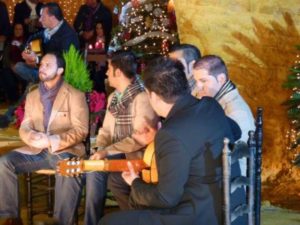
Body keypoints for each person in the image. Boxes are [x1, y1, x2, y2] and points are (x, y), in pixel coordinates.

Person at [100, 57, 244, 225]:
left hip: (198, 216)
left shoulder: (170, 134)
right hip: (230, 207)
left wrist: (134, 182)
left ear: (152, 95)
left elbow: (165, 198)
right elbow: (236, 131)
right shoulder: (210, 105)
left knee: (108, 221)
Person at [0, 52, 89, 225]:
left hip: (64, 151)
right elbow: (26, 124)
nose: (42, 68)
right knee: (4, 162)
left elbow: (81, 131)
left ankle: (62, 222)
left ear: (60, 70)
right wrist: (31, 136)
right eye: (42, 65)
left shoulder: (75, 95)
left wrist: (51, 140)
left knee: (68, 171)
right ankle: (11, 217)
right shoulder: (33, 95)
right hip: (37, 151)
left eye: (48, 65)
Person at [84, 50, 158, 225]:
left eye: (109, 69)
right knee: (95, 168)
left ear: (118, 72)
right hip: (115, 152)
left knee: (97, 172)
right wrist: (100, 149)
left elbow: (140, 139)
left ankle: (96, 221)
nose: (107, 73)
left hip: (136, 155)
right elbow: (106, 131)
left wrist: (106, 152)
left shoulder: (142, 97)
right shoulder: (113, 98)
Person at [192, 55, 255, 175]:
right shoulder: (215, 101)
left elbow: (230, 163)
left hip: (233, 185)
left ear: (221, 79)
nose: (198, 87)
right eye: (196, 81)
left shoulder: (236, 112)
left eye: (203, 81)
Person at [14, 2, 80, 83]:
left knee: (27, 78)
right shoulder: (48, 30)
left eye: (42, 16)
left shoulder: (68, 35)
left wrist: (37, 59)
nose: (40, 19)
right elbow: (31, 38)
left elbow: (63, 62)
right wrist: (28, 53)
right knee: (19, 66)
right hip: (43, 68)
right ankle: (38, 84)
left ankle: (39, 85)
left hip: (59, 74)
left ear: (52, 17)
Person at [0, 23, 27, 103]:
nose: (18, 31)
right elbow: (5, 56)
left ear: (23, 31)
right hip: (11, 66)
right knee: (5, 75)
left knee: (26, 78)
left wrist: (20, 46)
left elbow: (29, 54)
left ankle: (23, 101)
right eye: (16, 29)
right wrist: (12, 66)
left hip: (24, 66)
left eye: (20, 29)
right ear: (13, 30)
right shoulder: (9, 41)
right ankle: (14, 101)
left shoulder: (27, 41)